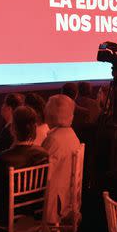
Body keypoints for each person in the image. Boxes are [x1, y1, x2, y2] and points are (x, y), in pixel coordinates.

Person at [0, 106, 49, 232]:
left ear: (13, 128)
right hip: (32, 216)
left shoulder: (3, 158)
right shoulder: (44, 154)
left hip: (4, 222)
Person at [41, 95, 81, 225]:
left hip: (53, 202)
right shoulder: (72, 135)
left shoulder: (54, 140)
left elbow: (43, 175)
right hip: (67, 197)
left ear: (51, 113)